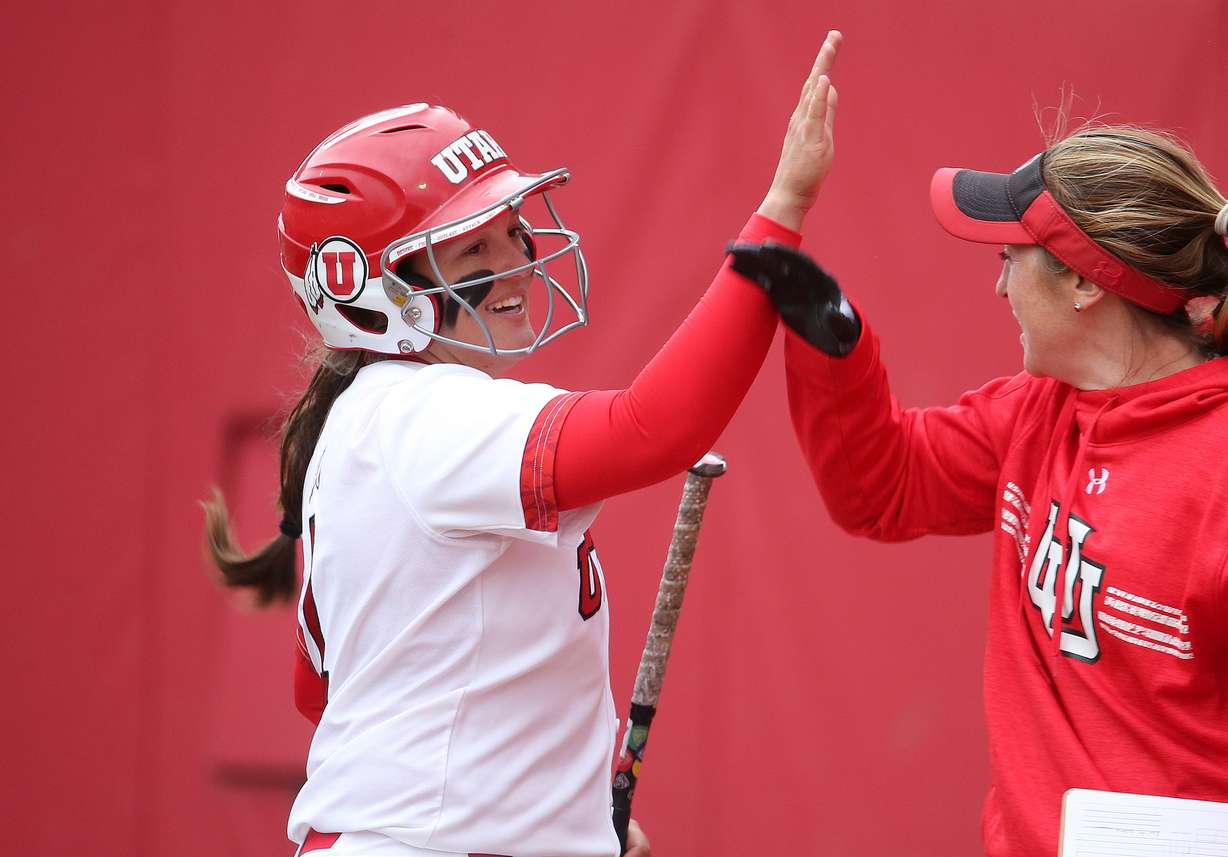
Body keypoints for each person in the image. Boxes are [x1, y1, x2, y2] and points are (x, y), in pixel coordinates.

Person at [203, 31, 844, 857]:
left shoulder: (372, 418)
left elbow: (322, 691)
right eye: (473, 246)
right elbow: (656, 428)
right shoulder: (420, 417)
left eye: (510, 230)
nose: (513, 262)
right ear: (369, 291)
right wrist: (783, 210)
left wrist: (560, 817)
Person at [771, 121, 1228, 857]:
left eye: (1011, 256)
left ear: (1085, 280)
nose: (998, 281)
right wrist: (835, 342)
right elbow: (884, 487)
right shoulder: (1038, 407)